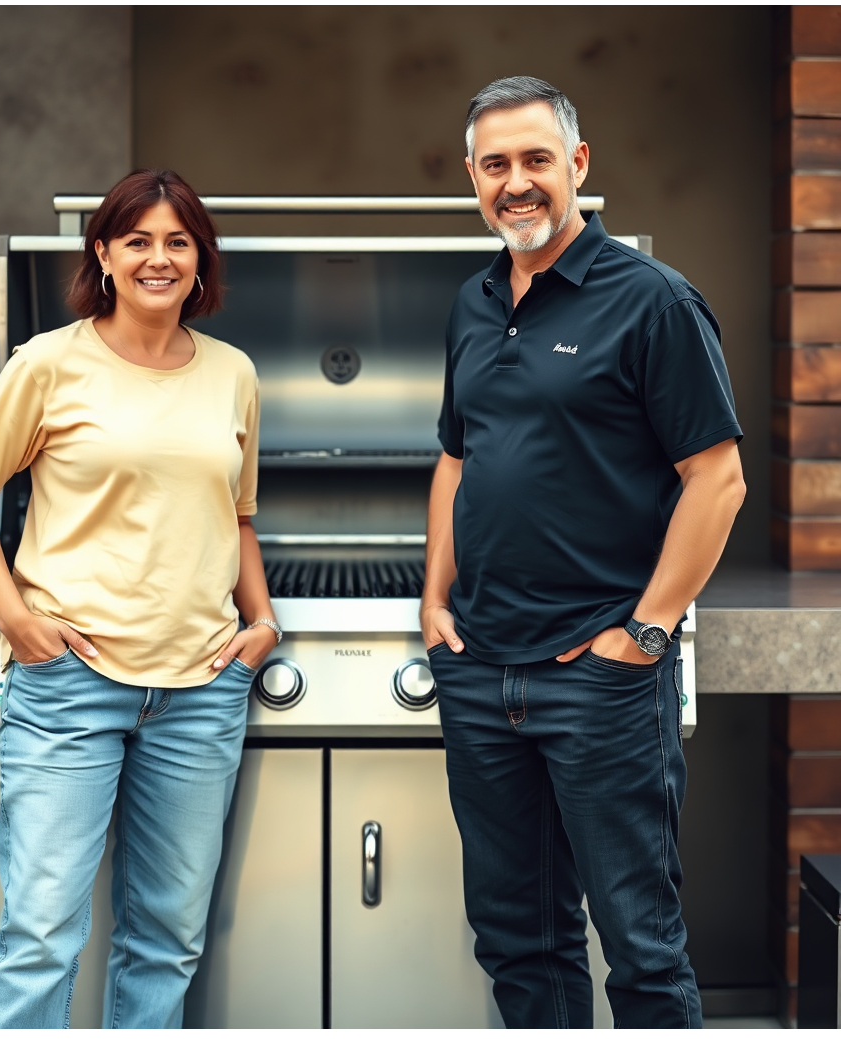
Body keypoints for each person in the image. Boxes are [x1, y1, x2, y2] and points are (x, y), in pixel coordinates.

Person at [421, 76, 745, 1029]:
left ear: (578, 165)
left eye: (534, 160)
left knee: (640, 946)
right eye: (495, 165)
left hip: (600, 677)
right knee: (519, 940)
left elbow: (716, 480)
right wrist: (434, 605)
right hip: (481, 671)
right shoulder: (474, 304)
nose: (516, 183)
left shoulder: (652, 301)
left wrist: (642, 636)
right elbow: (454, 458)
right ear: (472, 178)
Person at [0, 168, 280, 1029]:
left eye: (177, 241)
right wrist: (18, 620)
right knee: (41, 934)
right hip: (71, 685)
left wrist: (263, 619)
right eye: (138, 240)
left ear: (200, 257)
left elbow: (236, 517)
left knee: (167, 936)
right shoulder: (49, 363)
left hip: (200, 693)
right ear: (104, 253)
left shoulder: (233, 374)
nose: (158, 258)